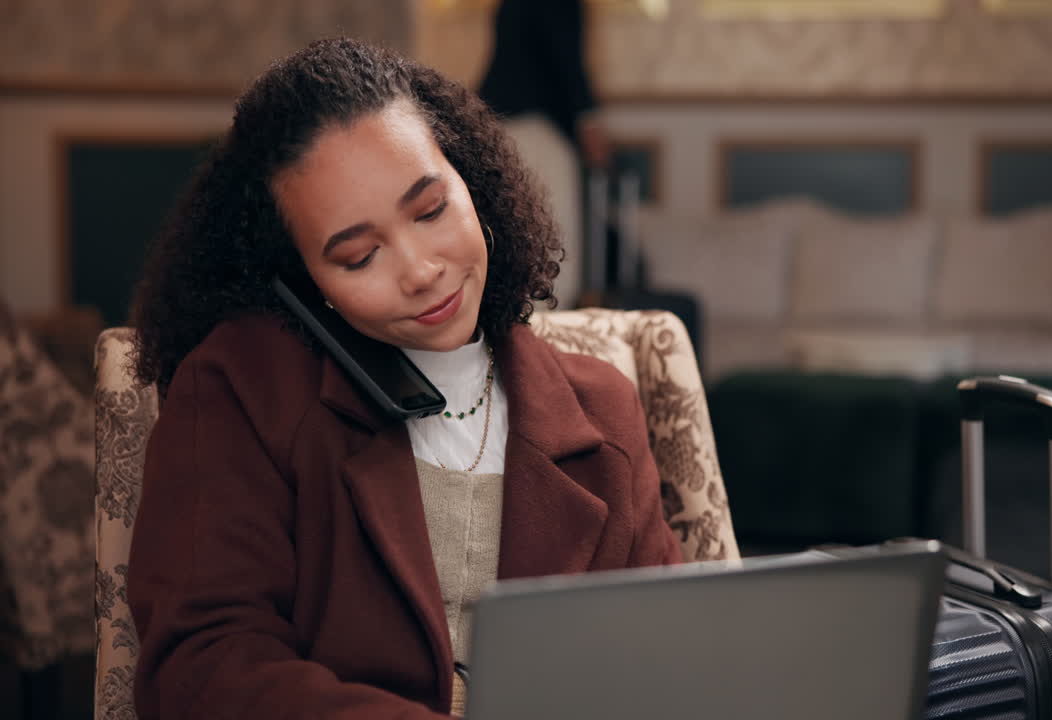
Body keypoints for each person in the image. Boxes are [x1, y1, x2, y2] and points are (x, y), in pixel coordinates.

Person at [126, 37, 682, 719]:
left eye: (430, 210)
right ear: (304, 281)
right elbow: (201, 666)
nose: (420, 271)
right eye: (359, 257)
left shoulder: (603, 408)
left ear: (471, 181)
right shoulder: (240, 389)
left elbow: (667, 660)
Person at [478, 0, 610, 308]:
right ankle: (544, 333)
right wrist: (589, 121)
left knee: (509, 242)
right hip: (537, 130)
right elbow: (566, 60)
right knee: (552, 243)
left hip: (500, 125)